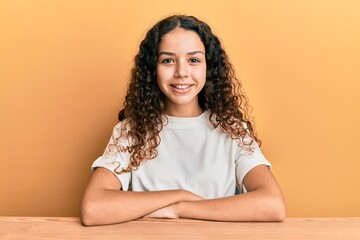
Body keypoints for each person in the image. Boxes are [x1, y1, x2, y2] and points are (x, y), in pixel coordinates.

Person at [80, 15, 286, 226]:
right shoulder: (132, 131)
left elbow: (272, 204)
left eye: (194, 60)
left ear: (209, 67)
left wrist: (179, 209)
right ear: (153, 69)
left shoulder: (232, 130)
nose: (181, 72)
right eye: (168, 60)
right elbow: (93, 208)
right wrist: (179, 194)